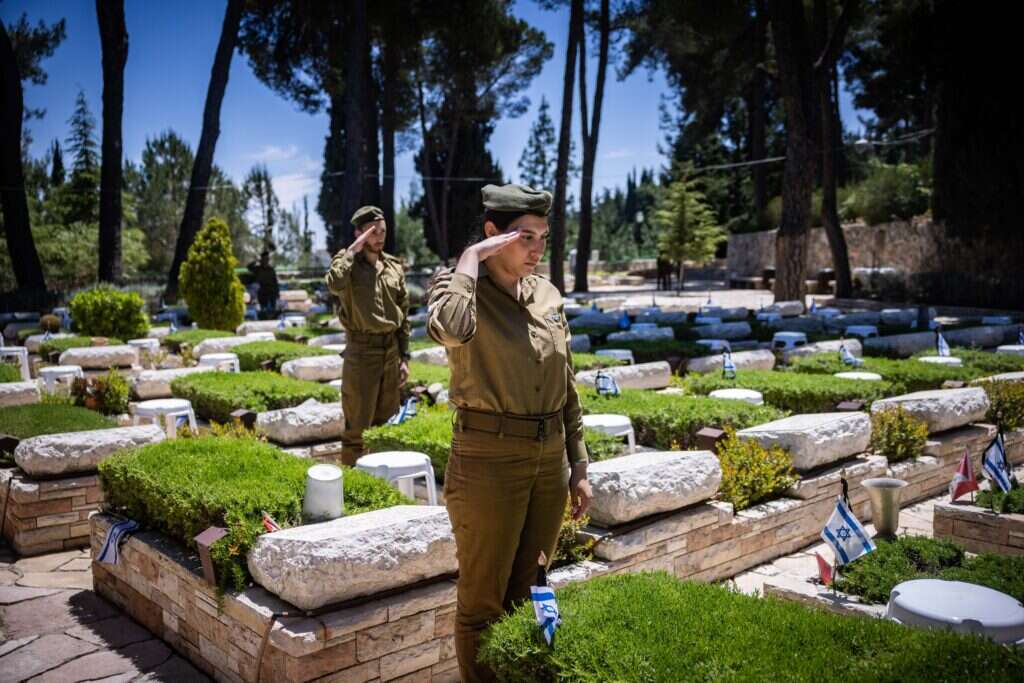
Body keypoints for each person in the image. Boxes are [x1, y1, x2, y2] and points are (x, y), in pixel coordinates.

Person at [427, 184, 593, 682]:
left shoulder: (547, 294)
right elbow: (452, 329)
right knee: (482, 602)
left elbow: (566, 383)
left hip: (547, 462)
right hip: (488, 460)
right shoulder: (457, 287)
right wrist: (470, 259)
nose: (537, 249)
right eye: (525, 237)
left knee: (531, 589)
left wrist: (578, 463)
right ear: (493, 235)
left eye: (543, 236)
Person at [325, 206, 411, 465]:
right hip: (362, 352)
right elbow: (333, 283)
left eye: (382, 231)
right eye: (373, 232)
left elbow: (403, 316)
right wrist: (352, 250)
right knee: (357, 429)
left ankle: (384, 485)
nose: (379, 237)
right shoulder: (348, 264)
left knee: (386, 428)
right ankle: (354, 490)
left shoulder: (394, 266)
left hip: (390, 352)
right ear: (359, 233)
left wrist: (404, 357)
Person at [247, 250, 280, 315]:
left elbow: (275, 282)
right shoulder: (257, 269)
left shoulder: (271, 270)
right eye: (264, 259)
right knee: (263, 309)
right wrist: (257, 261)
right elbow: (249, 267)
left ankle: (272, 316)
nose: (266, 260)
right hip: (261, 291)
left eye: (267, 259)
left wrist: (277, 292)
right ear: (262, 259)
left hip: (271, 291)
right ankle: (263, 315)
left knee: (273, 308)